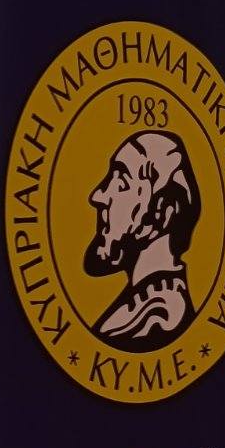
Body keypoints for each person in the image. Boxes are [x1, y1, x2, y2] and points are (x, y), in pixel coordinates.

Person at [85, 130, 201, 352]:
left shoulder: (157, 319)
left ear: (163, 213)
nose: (98, 195)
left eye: (121, 183)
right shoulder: (136, 309)